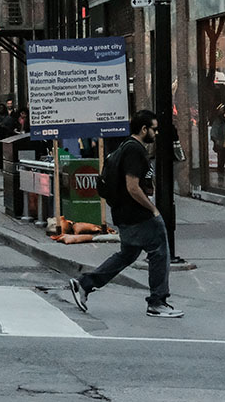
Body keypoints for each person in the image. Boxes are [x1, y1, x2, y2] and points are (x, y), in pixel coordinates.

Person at [69, 110, 184, 318]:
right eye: (154, 129)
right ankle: (157, 302)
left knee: (126, 255)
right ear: (143, 129)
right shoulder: (135, 150)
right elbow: (132, 186)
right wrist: (153, 209)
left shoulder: (125, 146)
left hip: (123, 213)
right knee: (159, 251)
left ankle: (85, 284)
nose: (156, 133)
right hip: (136, 214)